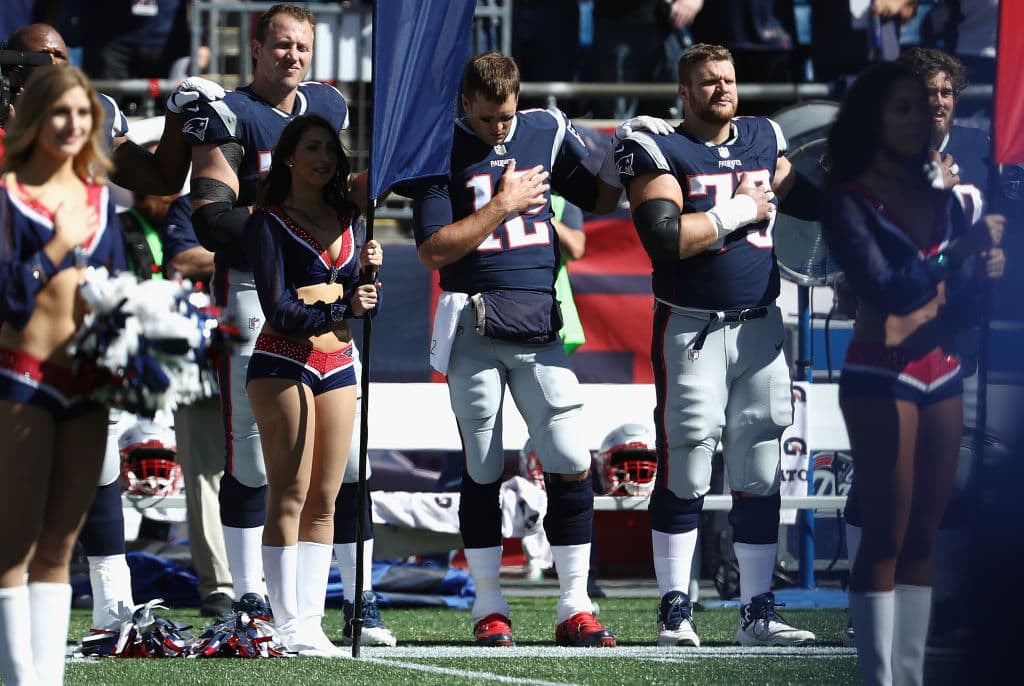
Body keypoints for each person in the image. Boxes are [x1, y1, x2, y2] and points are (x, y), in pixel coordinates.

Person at [411, 51, 640, 648]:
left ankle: (574, 604)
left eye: (506, 116)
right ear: (466, 105)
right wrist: (501, 206)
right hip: (473, 325)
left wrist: (623, 159)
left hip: (538, 322)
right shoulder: (439, 145)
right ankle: (490, 604)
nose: (498, 129)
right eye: (487, 119)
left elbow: (599, 201)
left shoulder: (541, 128)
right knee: (483, 468)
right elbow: (434, 249)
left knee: (569, 459)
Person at [182, 3, 393, 644]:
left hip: (329, 294)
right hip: (260, 283)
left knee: (343, 467)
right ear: (255, 46)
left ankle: (351, 598)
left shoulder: (326, 107)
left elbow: (353, 191)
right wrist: (287, 230)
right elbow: (211, 216)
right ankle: (252, 595)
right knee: (258, 458)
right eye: (280, 45)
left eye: (302, 46)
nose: (292, 56)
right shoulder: (230, 113)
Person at [610, 42, 819, 647]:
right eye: (707, 82)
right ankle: (676, 604)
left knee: (758, 463)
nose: (721, 90)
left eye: (727, 79)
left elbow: (805, 196)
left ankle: (758, 609)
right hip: (692, 327)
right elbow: (664, 238)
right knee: (688, 461)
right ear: (683, 91)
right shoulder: (659, 146)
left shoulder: (764, 136)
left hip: (758, 324)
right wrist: (738, 211)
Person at [820, 60, 1003, 686]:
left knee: (926, 527)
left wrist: (987, 268)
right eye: (921, 98)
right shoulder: (862, 181)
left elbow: (968, 282)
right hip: (883, 365)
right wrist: (959, 238)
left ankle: (911, 675)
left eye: (947, 94)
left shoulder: (968, 177)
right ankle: (878, 678)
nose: (937, 106)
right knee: (886, 526)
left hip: (943, 361)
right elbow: (889, 284)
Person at [0, 63, 127, 686]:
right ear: (34, 118)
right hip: (22, 379)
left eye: (83, 114)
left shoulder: (103, 198)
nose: (73, 125)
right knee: (14, 546)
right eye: (60, 112)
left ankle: (45, 680)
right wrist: (54, 246)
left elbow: (119, 296)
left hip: (88, 384)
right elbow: (5, 298)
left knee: (60, 547)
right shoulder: (8, 195)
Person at [246, 113, 380, 656]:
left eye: (331, 149)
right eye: (312, 148)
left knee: (326, 498)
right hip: (283, 360)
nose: (323, 158)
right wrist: (344, 302)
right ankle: (285, 623)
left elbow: (361, 303)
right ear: (288, 158)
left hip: (339, 363)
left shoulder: (352, 219)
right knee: (290, 491)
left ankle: (310, 622)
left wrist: (369, 279)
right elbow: (277, 309)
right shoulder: (268, 222)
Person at [162, 193, 236, 618]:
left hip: (278, 344)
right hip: (204, 353)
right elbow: (185, 259)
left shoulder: (292, 199)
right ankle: (219, 586)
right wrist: (258, 246)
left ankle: (268, 581)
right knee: (204, 473)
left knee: (276, 469)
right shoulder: (191, 204)